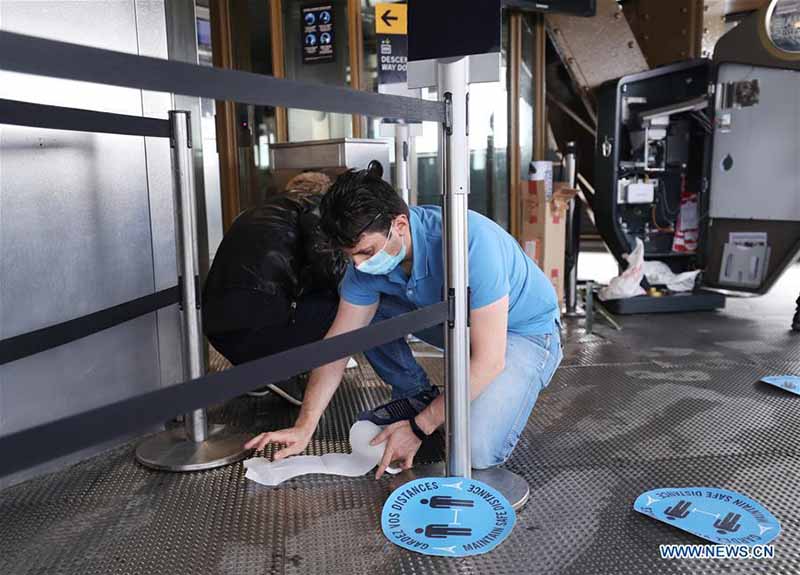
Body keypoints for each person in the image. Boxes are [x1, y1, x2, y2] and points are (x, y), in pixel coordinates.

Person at [245, 169, 563, 476]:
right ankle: (416, 394)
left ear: (399, 224)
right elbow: (338, 346)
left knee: (475, 451)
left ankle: (428, 412)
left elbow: (490, 360)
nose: (359, 265)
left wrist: (418, 428)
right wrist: (305, 427)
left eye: (366, 252)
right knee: (366, 314)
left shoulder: (471, 242)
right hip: (460, 327)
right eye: (351, 256)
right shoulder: (365, 266)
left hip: (523, 332)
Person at [202, 172, 347, 403]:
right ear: (324, 193)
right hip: (260, 322)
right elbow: (330, 268)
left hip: (217, 331)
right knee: (346, 302)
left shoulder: (254, 211)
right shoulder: (313, 207)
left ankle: (257, 373)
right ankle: (282, 370)